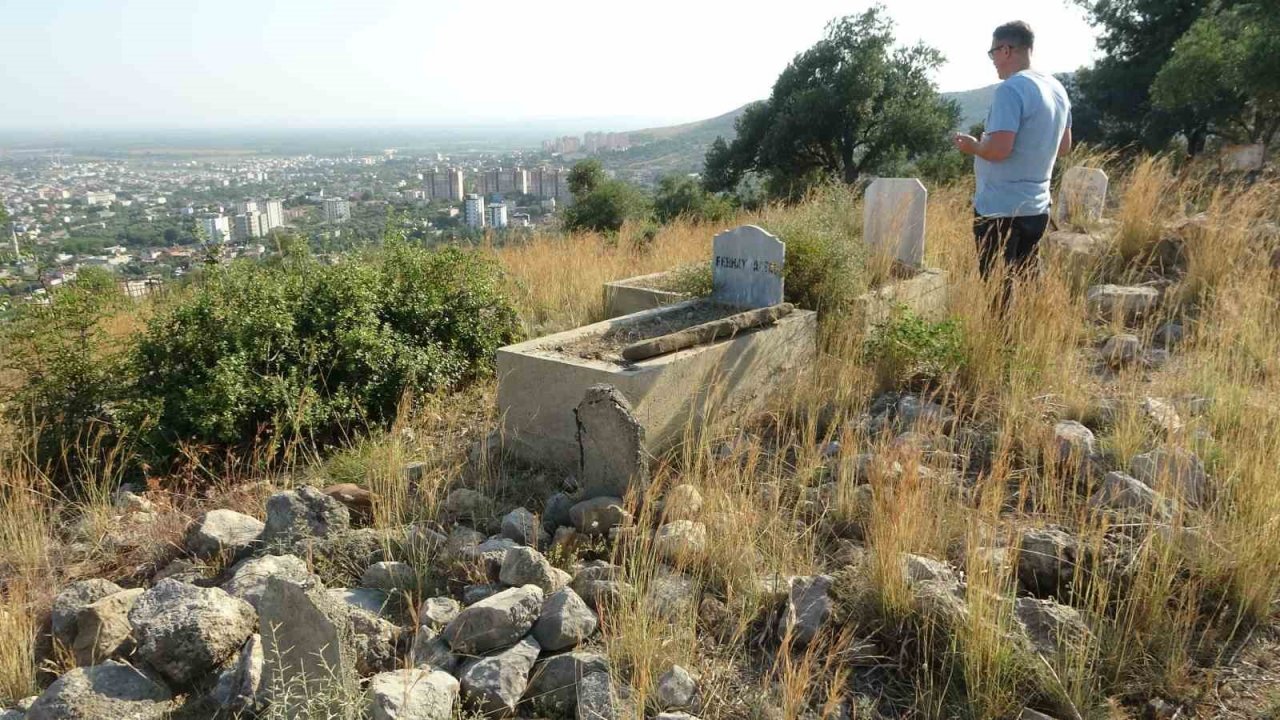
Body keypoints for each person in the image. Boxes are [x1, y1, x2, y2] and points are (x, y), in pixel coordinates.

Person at [951, 21, 1072, 308]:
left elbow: (998, 150)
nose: (993, 60)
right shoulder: (1057, 89)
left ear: (1006, 50)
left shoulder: (1011, 89)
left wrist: (973, 146)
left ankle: (1000, 338)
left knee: (999, 295)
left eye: (993, 52)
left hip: (1000, 209)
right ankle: (1032, 333)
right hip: (1037, 207)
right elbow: (1064, 147)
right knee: (1029, 286)